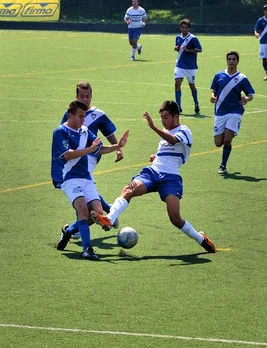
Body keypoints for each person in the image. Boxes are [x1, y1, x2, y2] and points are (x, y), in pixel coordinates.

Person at [90, 100, 216, 254]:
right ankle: (109, 219)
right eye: (161, 117)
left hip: (171, 178)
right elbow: (168, 152)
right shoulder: (165, 131)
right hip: (152, 173)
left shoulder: (184, 130)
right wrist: (156, 156)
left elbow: (173, 141)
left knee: (175, 219)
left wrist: (153, 127)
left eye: (166, 117)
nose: (163, 121)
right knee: (128, 190)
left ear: (176, 116)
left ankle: (201, 239)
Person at [51, 100, 129, 259]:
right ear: (70, 115)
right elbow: (67, 154)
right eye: (80, 117)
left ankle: (69, 231)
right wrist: (89, 149)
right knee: (82, 207)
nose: (83, 120)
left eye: (84, 117)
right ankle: (88, 249)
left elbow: (99, 148)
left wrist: (117, 146)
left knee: (97, 214)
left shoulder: (85, 131)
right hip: (68, 177)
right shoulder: (60, 132)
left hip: (86, 178)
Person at [58, 81, 123, 244]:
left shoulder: (98, 114)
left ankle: (76, 229)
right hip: (75, 156)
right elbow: (62, 133)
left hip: (91, 157)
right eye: (82, 96)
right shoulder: (70, 113)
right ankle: (108, 210)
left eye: (88, 96)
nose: (85, 99)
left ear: (91, 96)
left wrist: (118, 148)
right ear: (76, 96)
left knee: (83, 188)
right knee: (85, 190)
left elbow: (109, 133)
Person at [210, 51, 255, 175]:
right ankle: (229, 131)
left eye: (234, 59)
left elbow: (250, 94)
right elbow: (213, 91)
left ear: (237, 61)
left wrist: (246, 99)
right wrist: (213, 97)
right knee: (218, 143)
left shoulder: (242, 78)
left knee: (227, 140)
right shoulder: (219, 75)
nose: (231, 61)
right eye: (229, 59)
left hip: (235, 111)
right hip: (220, 111)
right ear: (226, 61)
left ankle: (223, 165)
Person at [173, 19, 202, 114]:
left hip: (190, 67)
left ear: (189, 28)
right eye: (182, 27)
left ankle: (196, 103)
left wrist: (188, 50)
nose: (184, 29)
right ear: (180, 28)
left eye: (186, 28)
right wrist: (176, 48)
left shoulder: (193, 38)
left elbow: (199, 49)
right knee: (177, 84)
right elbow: (177, 47)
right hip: (180, 65)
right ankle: (178, 106)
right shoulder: (178, 37)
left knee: (192, 86)